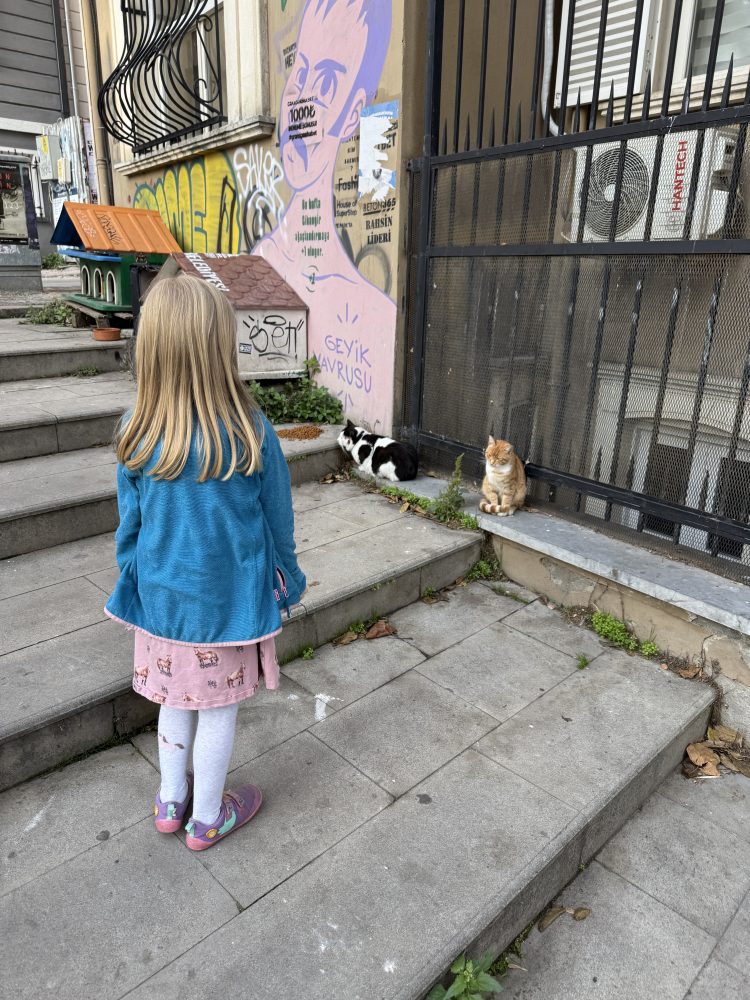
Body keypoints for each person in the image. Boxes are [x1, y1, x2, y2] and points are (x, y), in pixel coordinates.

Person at [105, 274, 306, 851]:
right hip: (229, 605)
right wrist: (289, 579)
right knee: (218, 709)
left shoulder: (136, 433)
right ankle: (209, 817)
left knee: (174, 701)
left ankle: (172, 802)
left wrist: (134, 578)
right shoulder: (250, 431)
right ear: (221, 346)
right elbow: (277, 519)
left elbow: (130, 528)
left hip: (164, 603)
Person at [253, 0, 397, 432]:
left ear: (353, 112)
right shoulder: (259, 261)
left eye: (328, 81)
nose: (303, 100)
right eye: (300, 73)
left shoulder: (376, 311)